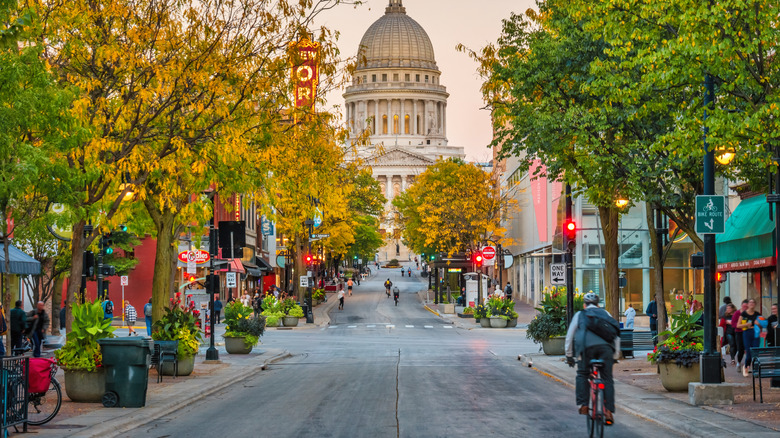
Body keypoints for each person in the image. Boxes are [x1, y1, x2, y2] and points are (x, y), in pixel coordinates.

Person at [565, 292, 620, 426]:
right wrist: (615, 355)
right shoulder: (606, 314)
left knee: (582, 374)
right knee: (607, 379)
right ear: (598, 304)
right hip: (606, 349)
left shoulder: (580, 315)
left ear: (584, 305)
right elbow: (616, 334)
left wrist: (569, 355)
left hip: (586, 349)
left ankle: (584, 405)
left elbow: (569, 336)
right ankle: (608, 411)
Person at [737, 298, 761, 377]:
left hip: (755, 333)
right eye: (750, 302)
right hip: (747, 333)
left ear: (755, 304)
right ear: (748, 304)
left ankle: (755, 369)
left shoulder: (757, 314)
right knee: (749, 351)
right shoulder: (744, 314)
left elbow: (762, 326)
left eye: (753, 302)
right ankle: (746, 367)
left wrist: (758, 324)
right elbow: (738, 325)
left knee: (755, 351)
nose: (751, 304)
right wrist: (746, 325)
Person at [731, 300, 748, 370]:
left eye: (746, 307)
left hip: (747, 332)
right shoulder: (737, 313)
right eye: (744, 306)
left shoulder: (749, 313)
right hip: (739, 332)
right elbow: (733, 323)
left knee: (748, 348)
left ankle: (748, 364)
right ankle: (739, 362)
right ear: (741, 306)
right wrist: (740, 326)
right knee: (740, 348)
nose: (745, 308)